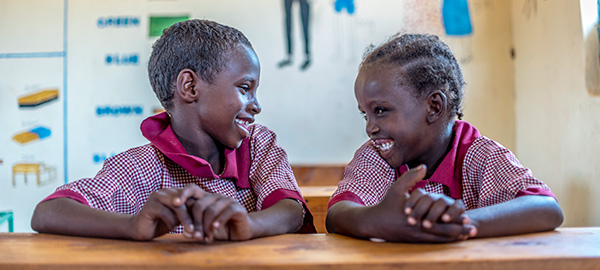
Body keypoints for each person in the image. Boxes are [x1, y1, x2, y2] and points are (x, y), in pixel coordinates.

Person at [31, 19, 315, 242]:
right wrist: (132, 225)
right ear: (190, 87)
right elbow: (47, 212)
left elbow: (291, 211)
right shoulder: (140, 168)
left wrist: (246, 224)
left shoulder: (257, 146)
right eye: (245, 88)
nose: (256, 105)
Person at [325, 33, 563, 243]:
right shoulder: (377, 158)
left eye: (380, 111)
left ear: (434, 107)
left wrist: (457, 221)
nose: (370, 128)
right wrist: (374, 221)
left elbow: (547, 208)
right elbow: (337, 214)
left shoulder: (479, 155)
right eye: (364, 114)